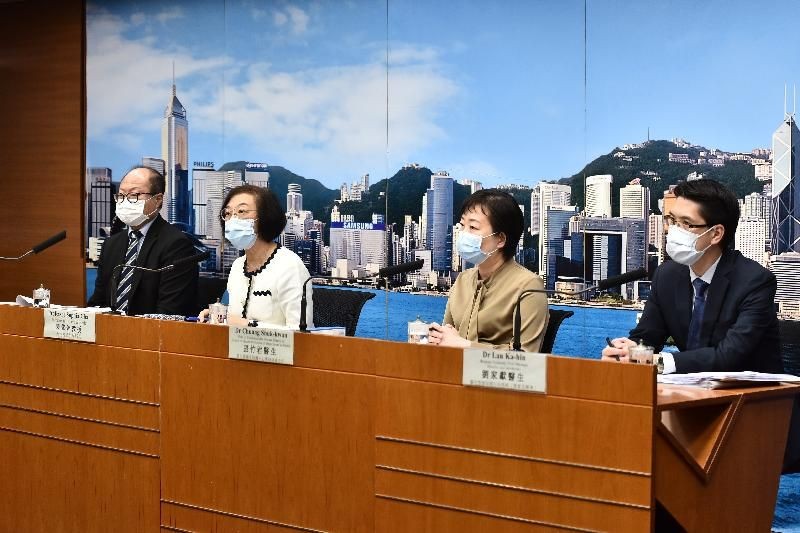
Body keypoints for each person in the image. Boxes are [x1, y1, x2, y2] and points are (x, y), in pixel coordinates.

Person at [602, 179, 782, 374]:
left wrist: (654, 361)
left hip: (754, 391)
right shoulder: (667, 275)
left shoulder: (755, 281)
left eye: (686, 224)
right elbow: (647, 339)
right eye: (672, 220)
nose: (674, 230)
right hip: (688, 389)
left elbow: (728, 356)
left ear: (716, 234)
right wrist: (627, 352)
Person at [428, 189, 548, 351]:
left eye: (473, 227)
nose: (463, 234)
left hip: (492, 368)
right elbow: (448, 336)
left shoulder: (529, 286)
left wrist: (463, 345)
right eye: (462, 225)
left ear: (500, 239)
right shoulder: (463, 279)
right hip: (455, 366)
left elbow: (525, 355)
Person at [88, 166, 198, 316]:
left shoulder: (177, 245)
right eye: (121, 195)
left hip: (151, 329)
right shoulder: (111, 244)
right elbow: (98, 302)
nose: (125, 201)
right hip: (109, 327)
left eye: (134, 195)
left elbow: (169, 312)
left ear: (158, 200)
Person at [199, 184, 313, 328]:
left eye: (241, 211)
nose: (232, 219)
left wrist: (248, 325)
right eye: (227, 213)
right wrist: (219, 316)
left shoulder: (289, 266)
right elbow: (234, 319)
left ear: (265, 217)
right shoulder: (238, 266)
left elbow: (302, 334)